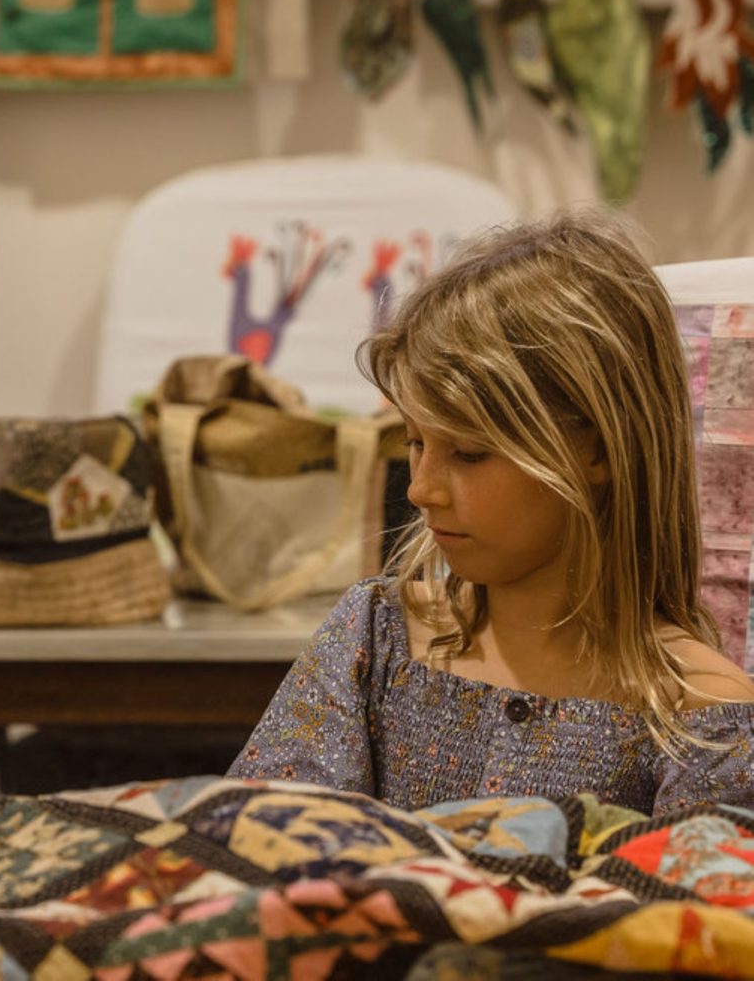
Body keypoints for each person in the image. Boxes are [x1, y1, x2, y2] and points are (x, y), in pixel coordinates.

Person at [228, 209, 754, 817]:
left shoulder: (702, 718)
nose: (422, 490)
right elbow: (258, 844)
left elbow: (688, 910)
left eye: (469, 453)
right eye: (416, 443)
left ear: (600, 450)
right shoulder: (376, 637)